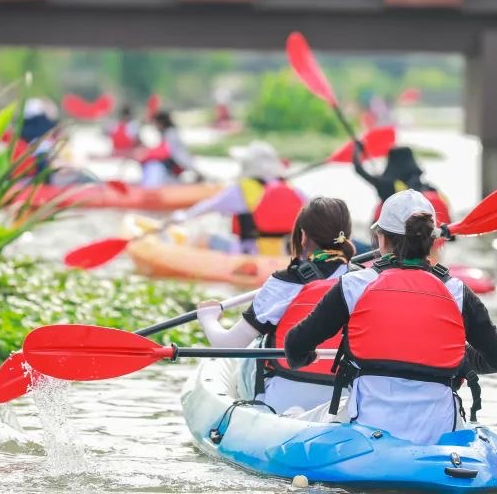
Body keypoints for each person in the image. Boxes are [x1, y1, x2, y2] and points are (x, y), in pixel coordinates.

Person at [284, 190, 497, 445]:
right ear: (432, 241)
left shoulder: (354, 285)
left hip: (367, 433)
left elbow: (294, 346)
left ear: (380, 239)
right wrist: (462, 358)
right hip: (437, 437)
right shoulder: (457, 291)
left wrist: (306, 357)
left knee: (298, 417)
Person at [196, 197, 355, 415]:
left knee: (255, 344)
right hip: (343, 399)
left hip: (280, 398)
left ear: (303, 234)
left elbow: (228, 345)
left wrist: (208, 318)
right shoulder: (362, 281)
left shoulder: (285, 281)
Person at [173, 141, 305, 256]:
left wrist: (183, 216)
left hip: (250, 253)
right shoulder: (291, 188)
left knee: (204, 236)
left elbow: (209, 206)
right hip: (289, 253)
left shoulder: (241, 189)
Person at [353, 145, 451, 230]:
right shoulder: (426, 187)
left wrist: (357, 150)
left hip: (392, 230)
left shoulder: (385, 184)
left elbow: (359, 170)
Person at [139, 110, 198, 188]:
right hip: (176, 167)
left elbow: (170, 153)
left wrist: (147, 155)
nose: (155, 126)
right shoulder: (168, 133)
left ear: (161, 123)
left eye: (155, 123)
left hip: (179, 167)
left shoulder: (170, 134)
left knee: (154, 165)